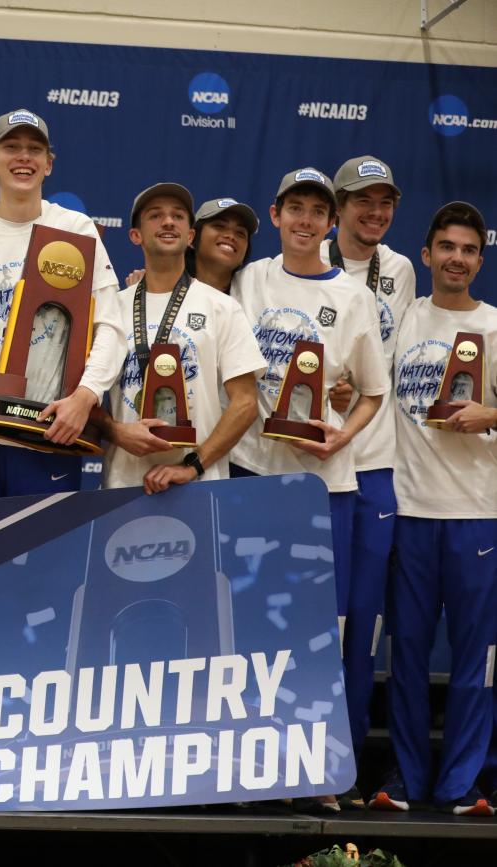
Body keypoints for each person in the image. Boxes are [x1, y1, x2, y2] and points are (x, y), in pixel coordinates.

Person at [229, 168, 389, 812]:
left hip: (324, 481)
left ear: (330, 224)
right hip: (251, 471)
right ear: (275, 215)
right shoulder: (251, 279)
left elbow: (373, 391)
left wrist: (339, 437)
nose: (304, 221)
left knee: (317, 631)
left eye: (315, 212)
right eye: (293, 208)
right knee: (246, 626)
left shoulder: (353, 296)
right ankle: (244, 770)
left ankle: (316, 772)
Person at [369, 202, 497, 816]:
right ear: (426, 256)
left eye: (468, 249)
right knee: (409, 657)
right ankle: (406, 774)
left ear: (480, 257)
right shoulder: (403, 322)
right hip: (410, 509)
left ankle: (464, 783)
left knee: (475, 660)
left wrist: (490, 414)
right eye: (446, 246)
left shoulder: (496, 327)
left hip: (478, 511)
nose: (456, 258)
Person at [0, 109, 123, 499]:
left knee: (47, 557)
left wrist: (84, 398)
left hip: (50, 426)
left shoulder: (76, 230)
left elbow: (110, 328)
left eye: (35, 149)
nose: (23, 157)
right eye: (11, 147)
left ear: (49, 164)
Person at [320, 156, 416, 797]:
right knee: (310, 622)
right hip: (310, 462)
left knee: (361, 624)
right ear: (337, 206)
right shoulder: (299, 260)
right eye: (362, 201)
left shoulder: (401, 271)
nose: (374, 212)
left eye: (384, 202)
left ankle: (345, 763)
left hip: (376, 465)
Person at [100, 184, 263, 494]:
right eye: (155, 215)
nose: (168, 222)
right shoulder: (111, 308)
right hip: (123, 484)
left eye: (177, 216)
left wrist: (192, 465)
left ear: (190, 237)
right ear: (135, 235)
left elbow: (245, 403)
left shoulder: (223, 308)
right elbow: (86, 397)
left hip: (199, 486)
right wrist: (117, 432)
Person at [126, 198, 258, 293]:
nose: (230, 236)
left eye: (240, 233)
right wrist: (142, 297)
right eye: (219, 226)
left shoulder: (252, 296)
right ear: (192, 238)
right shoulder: (156, 290)